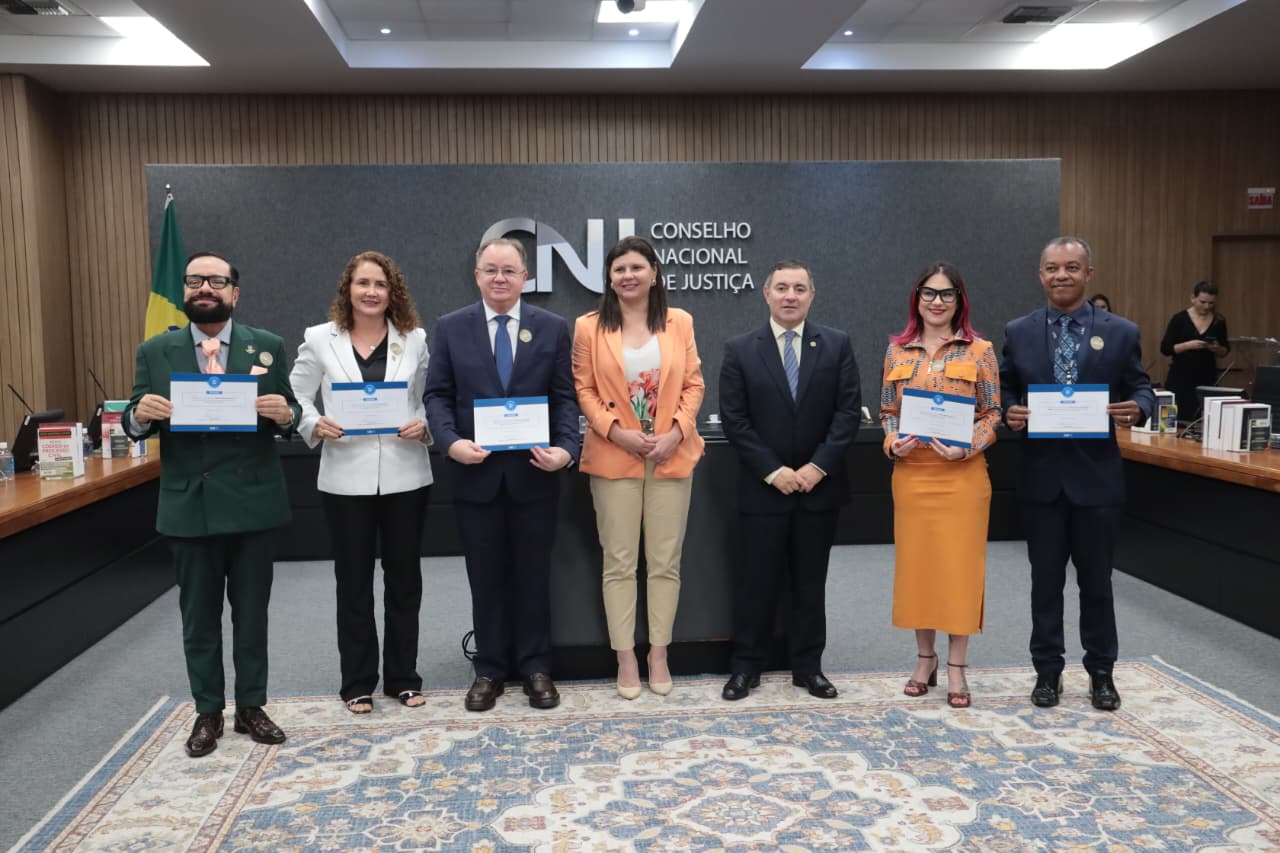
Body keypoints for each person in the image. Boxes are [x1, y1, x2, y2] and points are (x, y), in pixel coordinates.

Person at [124, 251, 300, 757]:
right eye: (196, 280)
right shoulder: (156, 351)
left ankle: (251, 706)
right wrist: (139, 414)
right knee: (198, 617)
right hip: (190, 504)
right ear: (184, 291)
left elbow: (291, 413)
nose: (206, 287)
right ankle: (207, 712)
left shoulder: (266, 347)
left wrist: (286, 412)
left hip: (252, 502)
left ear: (234, 292)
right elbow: (132, 421)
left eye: (216, 281)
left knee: (252, 614)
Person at [424, 237, 580, 712]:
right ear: (476, 276)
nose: (499, 278)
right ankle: (489, 669)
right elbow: (438, 396)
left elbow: (566, 399)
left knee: (534, 575)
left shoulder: (551, 328)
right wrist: (451, 443)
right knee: (485, 576)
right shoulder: (451, 328)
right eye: (490, 270)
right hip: (477, 477)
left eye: (509, 271)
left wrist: (567, 451)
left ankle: (536, 666)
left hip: (535, 476)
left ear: (525, 277)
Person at [1000, 236, 1154, 711]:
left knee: (1097, 584)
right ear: (1040, 274)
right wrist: (1009, 411)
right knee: (1044, 583)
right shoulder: (1018, 330)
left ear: (1089, 273)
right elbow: (1005, 386)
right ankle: (1047, 672)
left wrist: (1140, 409)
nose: (1060, 275)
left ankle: (1102, 673)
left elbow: (1142, 386)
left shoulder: (1121, 331)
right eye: (1051, 267)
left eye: (1071, 267)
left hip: (1097, 480)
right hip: (1041, 481)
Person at [289, 251, 433, 714]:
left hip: (406, 474)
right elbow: (295, 395)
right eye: (363, 283)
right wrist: (314, 424)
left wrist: (423, 423)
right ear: (347, 290)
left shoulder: (415, 340)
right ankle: (357, 681)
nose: (371, 292)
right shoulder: (319, 339)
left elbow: (431, 397)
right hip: (345, 478)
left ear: (394, 292)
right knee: (353, 582)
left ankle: (404, 677)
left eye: (380, 284)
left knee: (404, 581)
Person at [719, 260, 861, 701]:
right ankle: (746, 667)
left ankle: (808, 667)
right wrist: (775, 471)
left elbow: (847, 413)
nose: (790, 295)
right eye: (782, 287)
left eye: (799, 288)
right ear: (766, 293)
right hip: (763, 488)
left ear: (811, 296)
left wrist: (817, 468)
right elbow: (734, 420)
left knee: (809, 582)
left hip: (819, 488)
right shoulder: (740, 348)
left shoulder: (836, 345)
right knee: (756, 581)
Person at [572, 236, 705, 699]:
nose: (627, 276)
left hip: (670, 455)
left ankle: (659, 653)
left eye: (636, 267)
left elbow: (693, 384)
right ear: (608, 278)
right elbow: (584, 389)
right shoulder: (588, 327)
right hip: (614, 456)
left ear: (654, 272)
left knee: (665, 562)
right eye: (619, 269)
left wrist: (676, 433)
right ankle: (626, 657)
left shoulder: (679, 322)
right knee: (620, 563)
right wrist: (615, 431)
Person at [880, 263, 1000, 709]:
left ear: (959, 301)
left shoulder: (980, 351)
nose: (936, 302)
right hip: (912, 476)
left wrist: (967, 446)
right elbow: (887, 411)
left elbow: (992, 414)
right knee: (919, 568)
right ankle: (924, 659)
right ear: (916, 298)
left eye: (946, 295)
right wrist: (894, 442)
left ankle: (957, 667)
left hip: (962, 476)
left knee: (959, 570)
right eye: (929, 293)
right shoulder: (897, 352)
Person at [1160, 280, 1229, 422]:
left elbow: (1225, 350)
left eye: (1211, 303)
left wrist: (1216, 348)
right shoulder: (1179, 319)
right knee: (1169, 420)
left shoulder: (1219, 321)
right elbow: (1165, 348)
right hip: (1179, 378)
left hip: (1206, 378)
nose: (1207, 306)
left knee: (1202, 420)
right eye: (1202, 302)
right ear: (1193, 298)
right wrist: (1188, 345)